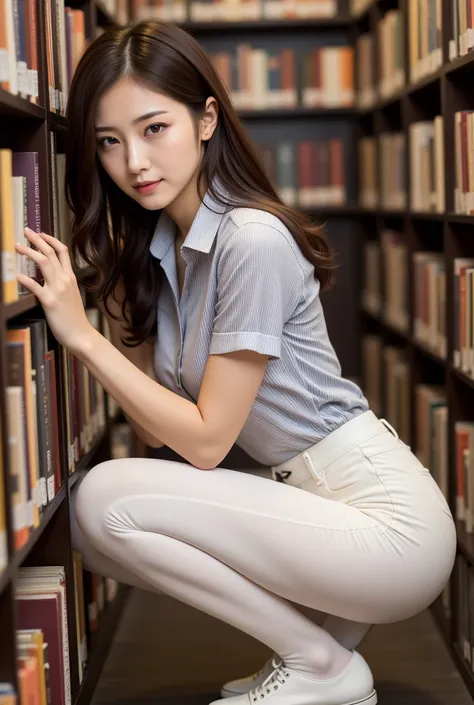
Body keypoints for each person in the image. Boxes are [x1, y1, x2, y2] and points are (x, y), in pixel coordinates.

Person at [15, 19, 457, 705]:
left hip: (384, 521)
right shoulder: (170, 247)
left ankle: (317, 661)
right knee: (93, 527)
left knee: (101, 497)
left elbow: (207, 440)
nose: (134, 160)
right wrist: (103, 303)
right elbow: (162, 431)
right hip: (315, 502)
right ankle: (315, 654)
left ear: (206, 119)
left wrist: (82, 339)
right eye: (108, 141)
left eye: (154, 127)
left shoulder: (250, 240)